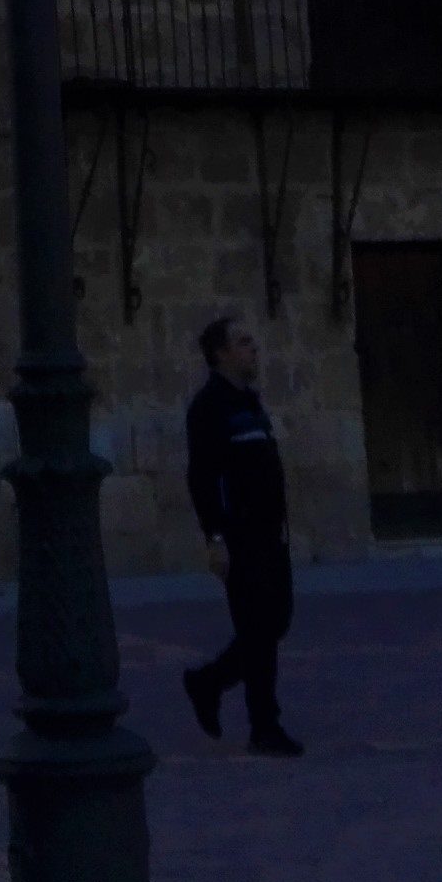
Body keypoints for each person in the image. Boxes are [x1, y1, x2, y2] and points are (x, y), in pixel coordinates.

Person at [181, 312, 302, 756]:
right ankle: (264, 726)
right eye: (244, 343)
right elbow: (202, 477)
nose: (254, 349)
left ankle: (208, 683)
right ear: (221, 354)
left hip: (271, 535)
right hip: (240, 536)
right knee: (258, 628)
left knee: (274, 623)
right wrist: (215, 538)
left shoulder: (250, 403)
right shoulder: (209, 407)